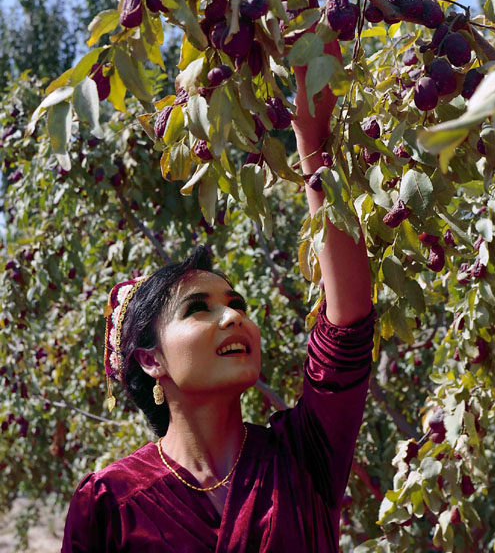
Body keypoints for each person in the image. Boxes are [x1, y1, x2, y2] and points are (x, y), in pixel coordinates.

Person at [61, 39, 375, 552]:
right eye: (198, 309)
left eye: (237, 304)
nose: (233, 317)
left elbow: (348, 327)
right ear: (150, 359)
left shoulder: (302, 456)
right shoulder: (110, 502)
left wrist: (312, 138)